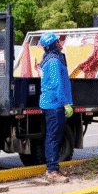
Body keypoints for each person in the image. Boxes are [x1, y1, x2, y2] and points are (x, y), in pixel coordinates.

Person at [38, 31, 73, 183]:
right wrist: (65, 103)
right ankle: (52, 171)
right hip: (54, 103)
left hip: (52, 102)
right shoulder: (53, 60)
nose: (60, 43)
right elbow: (56, 83)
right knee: (53, 137)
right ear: (53, 45)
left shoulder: (51, 59)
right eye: (58, 41)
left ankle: (53, 168)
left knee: (55, 136)